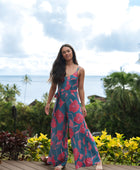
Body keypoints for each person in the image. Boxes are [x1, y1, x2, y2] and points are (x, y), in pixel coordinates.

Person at [43, 44, 103, 170]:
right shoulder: (59, 69)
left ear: (72, 52)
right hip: (60, 104)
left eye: (68, 51)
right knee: (58, 132)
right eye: (64, 52)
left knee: (81, 130)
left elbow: (80, 88)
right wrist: (48, 103)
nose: (66, 53)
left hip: (74, 103)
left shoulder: (80, 69)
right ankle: (60, 162)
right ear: (62, 55)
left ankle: (97, 160)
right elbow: (53, 88)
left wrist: (83, 105)